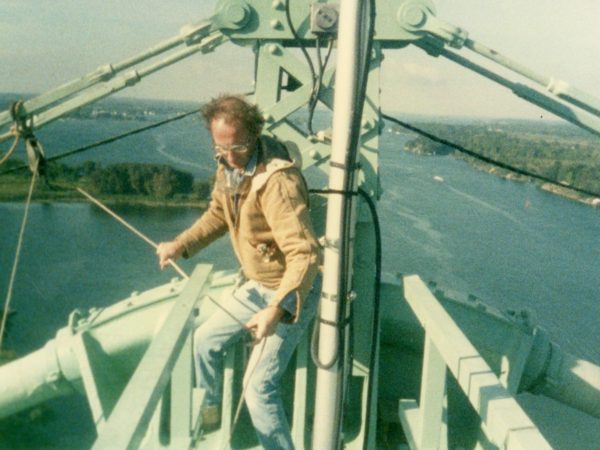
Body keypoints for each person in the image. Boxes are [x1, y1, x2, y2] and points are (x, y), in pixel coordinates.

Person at [156, 94, 321, 450]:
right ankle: (211, 408)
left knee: (258, 387)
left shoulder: (278, 183)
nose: (230, 156)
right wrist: (180, 245)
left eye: (238, 147)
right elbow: (219, 214)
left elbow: (304, 253)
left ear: (256, 134)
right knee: (204, 341)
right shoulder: (229, 167)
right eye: (221, 148)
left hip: (289, 295)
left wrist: (276, 311)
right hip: (257, 285)